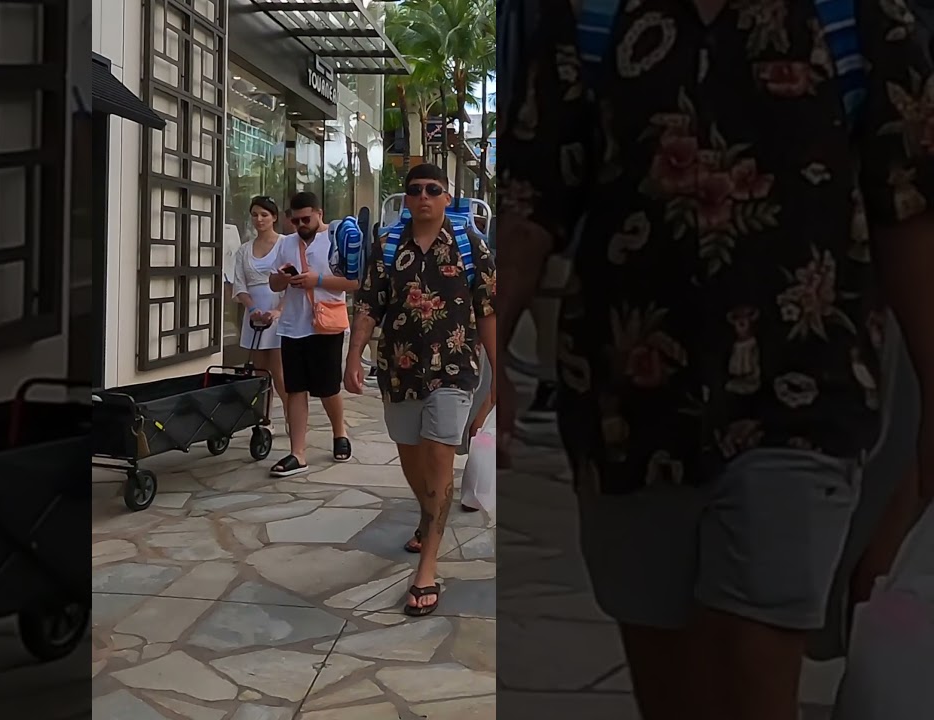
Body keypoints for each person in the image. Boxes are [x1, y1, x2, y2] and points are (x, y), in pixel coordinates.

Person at [498, 1, 934, 719]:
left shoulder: (853, 17)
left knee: (751, 667)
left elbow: (909, 208)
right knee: (671, 694)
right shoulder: (591, 17)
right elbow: (530, 197)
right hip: (625, 414)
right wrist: (491, 342)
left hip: (802, 400)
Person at [345, 164, 496, 615]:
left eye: (434, 189)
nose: (425, 196)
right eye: (416, 190)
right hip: (399, 371)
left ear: (447, 197)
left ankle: (427, 567)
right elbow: (369, 303)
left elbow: (487, 309)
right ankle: (428, 515)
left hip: (455, 369)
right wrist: (354, 355)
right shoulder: (387, 247)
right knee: (413, 462)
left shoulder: (470, 246)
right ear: (407, 199)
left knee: (438, 457)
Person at [267, 191, 358, 475]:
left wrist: (316, 280)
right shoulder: (286, 245)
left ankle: (339, 432)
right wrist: (283, 279)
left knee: (328, 387)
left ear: (319, 213)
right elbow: (272, 283)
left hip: (327, 322)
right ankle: (298, 452)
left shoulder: (336, 238)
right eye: (295, 220)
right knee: (295, 388)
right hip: (294, 324)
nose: (301, 225)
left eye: (306, 218)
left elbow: (353, 281)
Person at [232, 196, 288, 414]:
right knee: (259, 373)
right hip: (254, 316)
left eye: (264, 214)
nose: (259, 219)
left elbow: (294, 283)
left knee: (280, 371)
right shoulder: (244, 250)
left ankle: (290, 415)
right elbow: (239, 284)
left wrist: (278, 310)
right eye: (255, 214)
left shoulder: (285, 244)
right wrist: (252, 309)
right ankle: (264, 418)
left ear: (274, 217)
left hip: (279, 315)